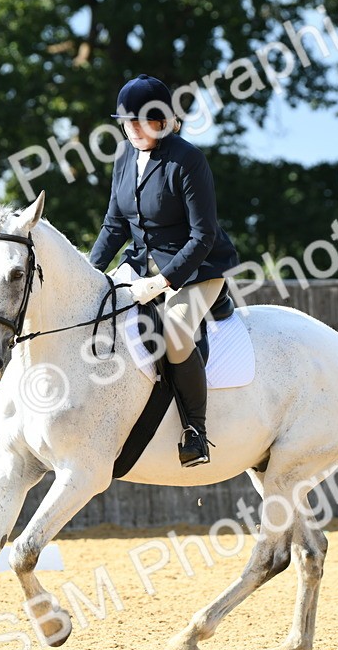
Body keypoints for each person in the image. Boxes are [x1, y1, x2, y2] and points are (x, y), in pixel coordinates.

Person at [90, 74, 240, 467]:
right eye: (128, 122)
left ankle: (195, 432)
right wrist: (89, 274)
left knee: (174, 330)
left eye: (144, 120)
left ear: (164, 120)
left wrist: (164, 280)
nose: (134, 129)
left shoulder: (187, 159)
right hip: (140, 266)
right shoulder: (123, 159)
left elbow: (203, 234)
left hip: (197, 269)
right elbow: (114, 227)